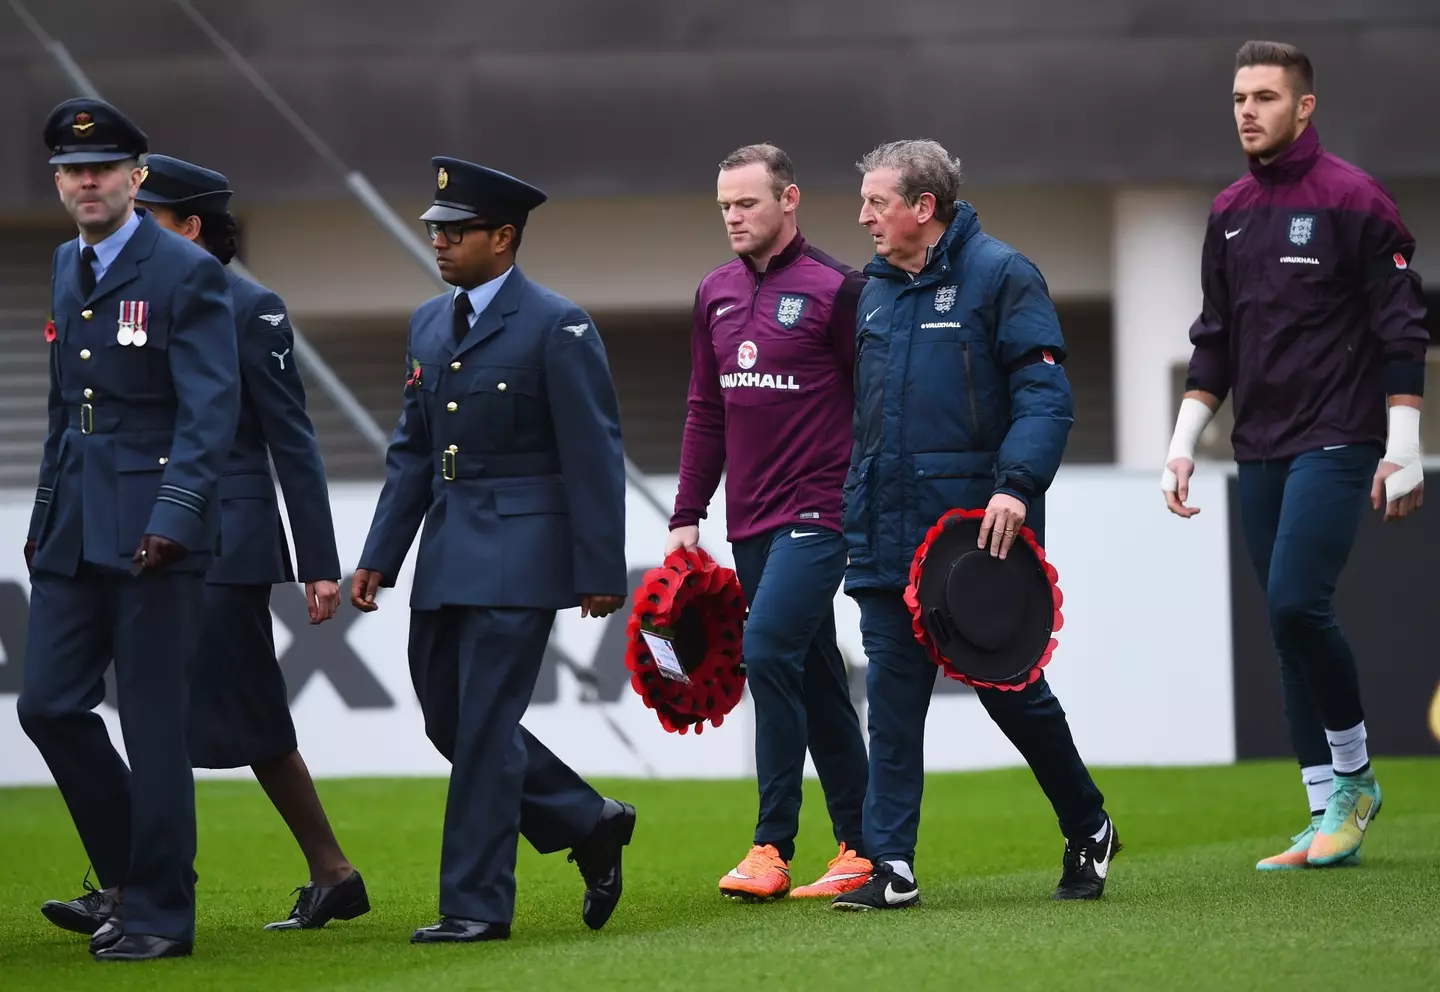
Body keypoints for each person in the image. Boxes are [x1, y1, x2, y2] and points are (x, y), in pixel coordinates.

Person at [44, 154, 369, 940]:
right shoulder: (111, 288)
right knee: (206, 714)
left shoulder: (249, 305)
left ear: (190, 227)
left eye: (151, 216)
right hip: (143, 530)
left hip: (227, 539)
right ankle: (315, 873)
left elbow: (292, 439)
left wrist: (318, 561)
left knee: (226, 714)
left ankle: (138, 884)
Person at [350, 157, 636, 943]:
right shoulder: (427, 324)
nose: (439, 242)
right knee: (448, 720)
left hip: (523, 553)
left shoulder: (558, 324)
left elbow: (593, 453)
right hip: (447, 550)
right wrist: (382, 552)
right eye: (435, 230)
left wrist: (599, 568)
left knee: (482, 728)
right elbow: (412, 451)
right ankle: (590, 820)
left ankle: (475, 905)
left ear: (503, 238)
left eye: (456, 230)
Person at [1162, 40, 1430, 870]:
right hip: (1260, 445)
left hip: (1340, 438)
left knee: (1293, 605)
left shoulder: (1357, 200)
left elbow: (1402, 329)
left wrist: (1407, 444)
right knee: (1285, 630)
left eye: (1266, 97)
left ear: (1304, 107)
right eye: (1240, 96)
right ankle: (1322, 815)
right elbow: (1215, 343)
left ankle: (1354, 783)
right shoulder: (1229, 210)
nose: (1248, 110)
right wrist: (1180, 445)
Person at [832, 139, 1120, 911]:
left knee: (1013, 697)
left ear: (923, 208)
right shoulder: (873, 291)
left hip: (976, 540)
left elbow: (1045, 396)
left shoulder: (1002, 275)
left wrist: (1017, 487)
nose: (862, 216)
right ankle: (891, 865)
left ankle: (1089, 823)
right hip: (886, 534)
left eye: (877, 202)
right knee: (892, 703)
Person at [18, 98, 241, 961]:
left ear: (135, 178)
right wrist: (43, 517)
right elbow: (59, 411)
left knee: (152, 728)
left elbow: (210, 407)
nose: (85, 183)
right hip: (75, 526)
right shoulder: (64, 267)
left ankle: (159, 914)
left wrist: (177, 516)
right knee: (47, 706)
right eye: (72, 171)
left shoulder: (185, 272)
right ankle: (127, 876)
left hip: (157, 533)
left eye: (102, 169)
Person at [668, 143, 872, 901]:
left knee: (766, 649)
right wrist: (688, 511)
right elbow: (704, 410)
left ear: (789, 200)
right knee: (814, 673)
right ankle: (862, 844)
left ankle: (770, 844)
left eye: (746, 202)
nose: (733, 216)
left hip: (822, 509)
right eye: (724, 205)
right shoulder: (714, 293)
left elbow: (876, 406)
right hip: (748, 520)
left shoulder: (840, 290)